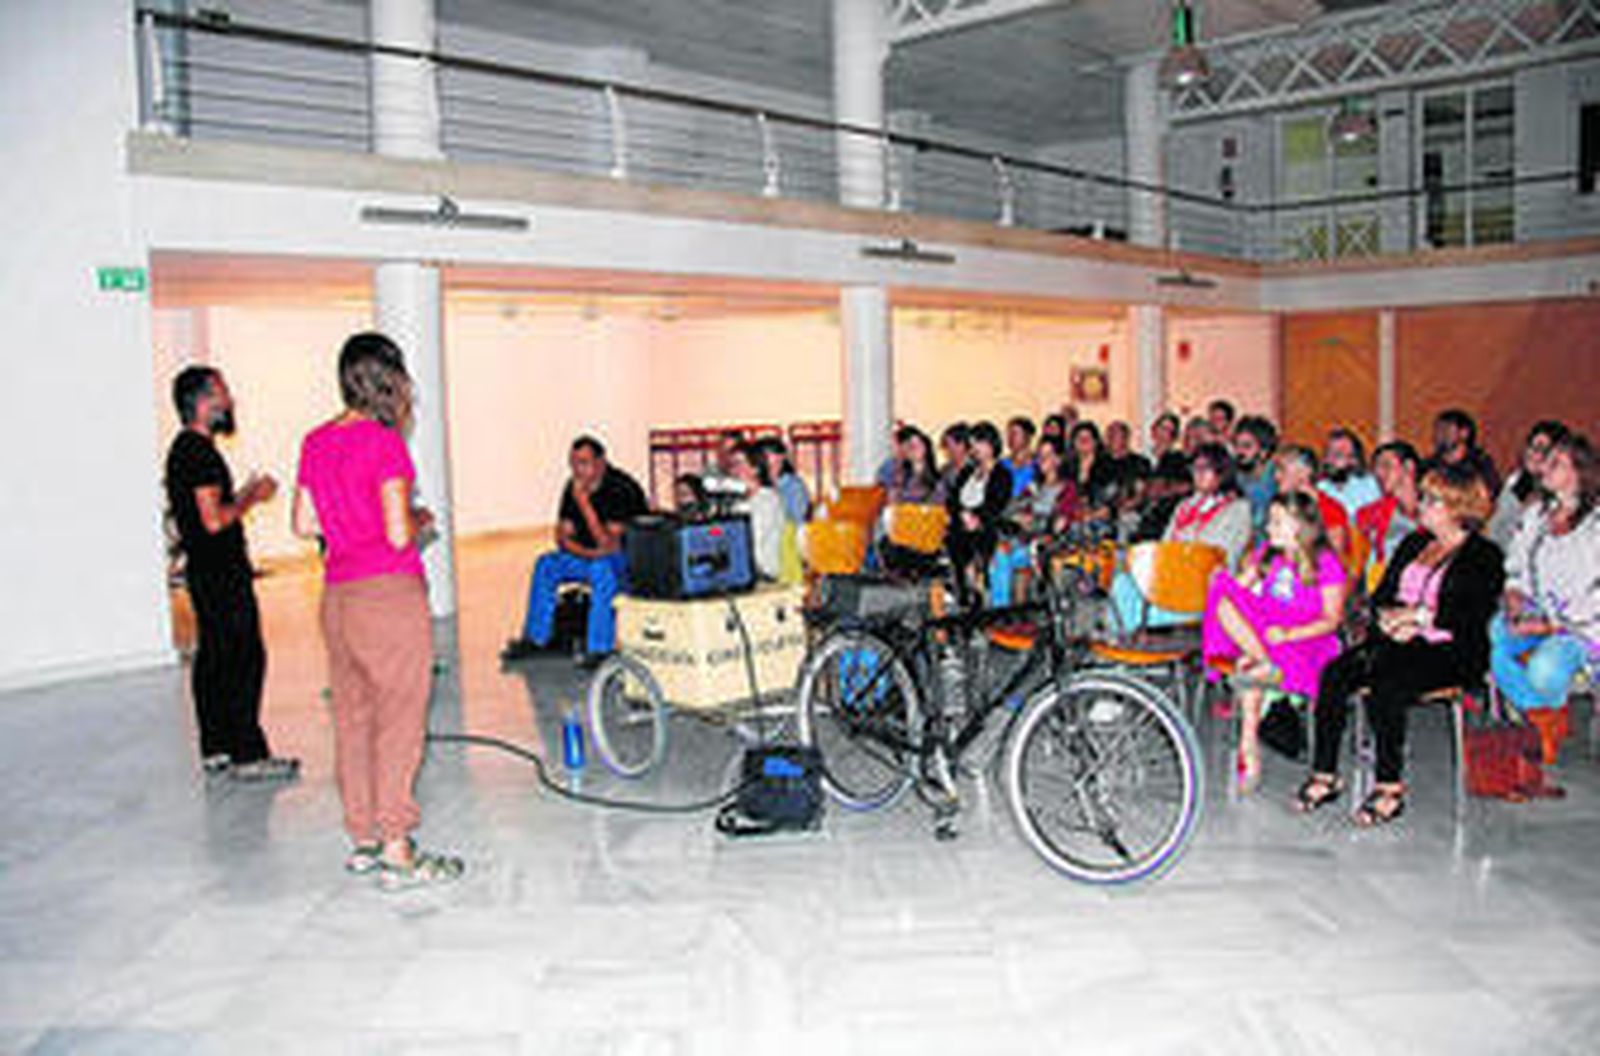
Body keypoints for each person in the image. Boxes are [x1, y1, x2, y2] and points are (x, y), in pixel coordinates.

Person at [293, 332, 458, 887]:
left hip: (337, 597)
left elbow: (303, 524)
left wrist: (348, 525)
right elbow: (396, 533)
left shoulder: (316, 440)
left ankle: (363, 838)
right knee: (399, 721)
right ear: (388, 380)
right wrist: (421, 519)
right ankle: (396, 848)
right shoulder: (383, 443)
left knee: (353, 719)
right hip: (387, 597)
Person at [1294, 464, 1503, 826]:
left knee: (1387, 682)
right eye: (1424, 497)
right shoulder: (1413, 544)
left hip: (1450, 649)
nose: (1421, 505)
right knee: (1335, 672)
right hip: (1395, 640)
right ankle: (1325, 774)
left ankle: (1389, 788)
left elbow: (1469, 615)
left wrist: (1418, 619)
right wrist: (1389, 619)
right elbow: (1381, 596)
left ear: (1458, 507)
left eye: (1432, 500)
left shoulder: (1483, 554)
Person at [164, 366, 299, 781]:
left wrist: (240, 495)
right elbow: (214, 520)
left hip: (205, 572)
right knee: (244, 657)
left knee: (215, 657)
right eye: (222, 394)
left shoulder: (184, 450)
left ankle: (217, 748)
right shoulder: (199, 453)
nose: (230, 401)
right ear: (203, 402)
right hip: (222, 573)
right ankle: (247, 754)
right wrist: (252, 497)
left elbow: (205, 513)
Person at [1203, 492, 1348, 792]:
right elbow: (1238, 589)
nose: (1268, 528)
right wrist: (1220, 579)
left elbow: (1332, 620)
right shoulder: (1268, 554)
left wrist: (1289, 635)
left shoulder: (1326, 562)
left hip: (1309, 638)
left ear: (1299, 525)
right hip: (1270, 630)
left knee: (1251, 674)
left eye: (1276, 522)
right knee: (1222, 598)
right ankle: (1263, 659)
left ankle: (1248, 749)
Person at [1490, 433, 1599, 759]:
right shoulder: (1536, 514)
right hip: (1539, 609)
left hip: (1583, 626)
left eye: (1556, 463)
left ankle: (1541, 714)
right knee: (1494, 637)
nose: (1545, 468)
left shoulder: (1594, 524)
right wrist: (1513, 596)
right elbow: (1517, 564)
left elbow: (1593, 596)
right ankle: (1546, 718)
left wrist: (1547, 626)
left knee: (1544, 668)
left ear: (1579, 473)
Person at [504, 436, 648, 665]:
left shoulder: (622, 489)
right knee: (546, 564)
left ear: (601, 462)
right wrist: (587, 554)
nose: (577, 470)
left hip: (623, 561)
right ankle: (537, 638)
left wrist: (584, 504)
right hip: (589, 556)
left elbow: (607, 544)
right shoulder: (572, 486)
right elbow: (562, 537)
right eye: (573, 464)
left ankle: (600, 648)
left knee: (601, 570)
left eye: (583, 463)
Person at [1109, 442, 1251, 633]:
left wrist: (1181, 547)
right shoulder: (1185, 506)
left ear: (1222, 472)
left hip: (1204, 587)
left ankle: (1126, 634)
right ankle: (1125, 634)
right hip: (1172, 580)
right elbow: (1165, 545)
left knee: (1127, 611)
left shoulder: (1237, 508)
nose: (1198, 474)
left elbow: (1216, 554)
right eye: (1195, 468)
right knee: (1121, 581)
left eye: (1206, 468)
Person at [989, 435, 1077, 605]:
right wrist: (1019, 517)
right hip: (1025, 540)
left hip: (1049, 544)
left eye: (1047, 455)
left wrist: (1032, 519)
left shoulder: (1067, 488)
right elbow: (1009, 510)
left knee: (1012, 553)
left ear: (1058, 460)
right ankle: (1000, 610)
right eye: (1040, 455)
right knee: (1000, 552)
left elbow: (1060, 524)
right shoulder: (1034, 486)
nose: (1042, 460)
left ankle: (1005, 608)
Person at [946, 420, 1012, 599]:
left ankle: (976, 586)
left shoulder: (1002, 474)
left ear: (991, 444)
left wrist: (976, 517)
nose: (975, 449)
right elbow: (952, 500)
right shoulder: (967, 472)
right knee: (953, 536)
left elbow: (996, 504)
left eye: (979, 443)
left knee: (975, 537)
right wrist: (962, 514)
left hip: (987, 523)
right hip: (961, 522)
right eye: (972, 444)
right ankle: (963, 590)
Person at [1487, 420, 1569, 549]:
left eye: (1541, 449)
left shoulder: (1562, 494)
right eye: (1531, 446)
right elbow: (1496, 527)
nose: (1532, 453)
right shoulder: (1515, 481)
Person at [1274, 445, 1351, 568]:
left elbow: (1335, 553)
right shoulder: (1281, 506)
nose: (1276, 476)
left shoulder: (1329, 508)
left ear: (1304, 472)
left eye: (1282, 469)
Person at [1356, 441, 1422, 581]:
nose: (1379, 473)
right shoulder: (1373, 512)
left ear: (1409, 467)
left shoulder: (1436, 509)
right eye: (1376, 468)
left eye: (1386, 465)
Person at [729, 442, 785, 581]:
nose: (734, 471)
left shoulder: (767, 500)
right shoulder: (740, 502)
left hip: (765, 575)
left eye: (739, 464)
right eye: (732, 465)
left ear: (756, 468)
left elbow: (754, 541)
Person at [1137, 411, 1191, 539]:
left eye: (1169, 430)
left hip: (1166, 513)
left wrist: (1166, 489)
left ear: (1174, 436)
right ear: (1153, 431)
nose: (1163, 434)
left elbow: (1186, 486)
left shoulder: (1179, 459)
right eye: (1161, 428)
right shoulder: (1140, 460)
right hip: (1141, 510)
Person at [1066, 421, 1116, 542]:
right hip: (1073, 519)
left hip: (1100, 519)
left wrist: (1091, 515)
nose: (1083, 441)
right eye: (1079, 438)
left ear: (1096, 442)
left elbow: (1111, 503)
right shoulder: (1067, 468)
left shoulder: (1108, 467)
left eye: (1087, 438)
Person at [1318, 427, 1381, 523]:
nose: (1333, 459)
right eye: (1330, 453)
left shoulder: (1369, 485)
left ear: (1354, 459)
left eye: (1339, 454)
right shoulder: (1319, 488)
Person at [1431, 408, 1500, 495]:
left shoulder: (1480, 462)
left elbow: (1492, 493)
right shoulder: (1430, 465)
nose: (1439, 434)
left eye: (1445, 429)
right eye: (1437, 429)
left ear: (1464, 433)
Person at [1101, 420, 1151, 539]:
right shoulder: (1100, 464)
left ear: (1126, 439)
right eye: (1110, 435)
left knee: (1126, 521)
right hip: (1104, 513)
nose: (1113, 439)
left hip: (1130, 514)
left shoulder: (1140, 463)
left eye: (1117, 435)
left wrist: (1124, 507)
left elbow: (1141, 493)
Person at [1232, 414, 1278, 529]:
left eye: (1246, 446)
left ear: (1264, 451)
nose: (1239, 452)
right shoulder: (1236, 476)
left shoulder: (1277, 479)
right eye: (1236, 445)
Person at [756, 436, 810, 526]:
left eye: (767, 455)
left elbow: (797, 520)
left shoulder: (793, 486)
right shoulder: (754, 483)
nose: (763, 459)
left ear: (782, 457)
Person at [884, 424, 942, 505]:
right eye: (910, 447)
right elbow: (891, 501)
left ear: (926, 447)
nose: (914, 450)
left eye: (917, 445)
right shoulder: (900, 476)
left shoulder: (938, 481)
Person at [1002, 415, 1038, 497]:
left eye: (1014, 433)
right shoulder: (1003, 464)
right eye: (1008, 434)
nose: (1010, 438)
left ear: (1027, 437)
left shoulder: (1037, 464)